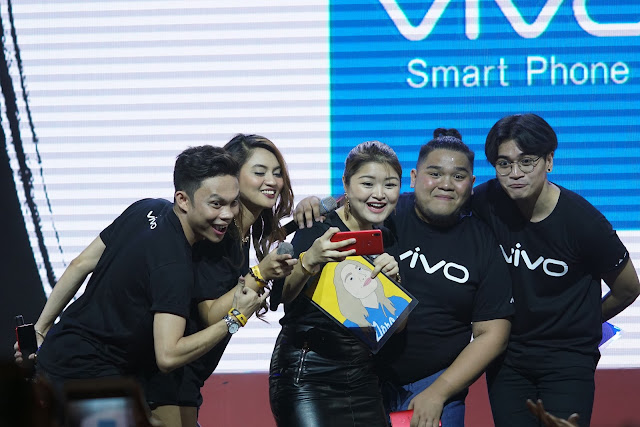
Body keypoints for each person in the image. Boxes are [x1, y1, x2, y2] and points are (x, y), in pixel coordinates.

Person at [14, 146, 268, 421]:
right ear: (183, 200)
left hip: (58, 353)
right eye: (216, 204)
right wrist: (234, 318)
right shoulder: (175, 266)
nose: (228, 214)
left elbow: (80, 264)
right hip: (89, 379)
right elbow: (168, 356)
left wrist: (40, 330)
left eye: (233, 203)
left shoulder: (146, 208)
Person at [473, 113, 640, 426]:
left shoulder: (584, 222)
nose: (515, 173)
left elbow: (628, 288)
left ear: (549, 161)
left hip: (568, 360)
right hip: (508, 359)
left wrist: (583, 321)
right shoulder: (485, 202)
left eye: (527, 162)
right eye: (504, 163)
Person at [144, 133, 298, 426]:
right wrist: (261, 274)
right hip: (168, 378)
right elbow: (210, 314)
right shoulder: (217, 235)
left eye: (277, 173)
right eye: (260, 172)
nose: (272, 181)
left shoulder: (243, 234)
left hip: (190, 377)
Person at [374, 129, 513, 427]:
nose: (446, 184)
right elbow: (344, 209)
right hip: (360, 377)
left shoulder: (484, 242)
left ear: (471, 184)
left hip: (433, 384)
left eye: (458, 176)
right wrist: (317, 205)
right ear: (413, 178)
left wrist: (439, 392)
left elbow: (493, 334)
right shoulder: (383, 214)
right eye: (434, 174)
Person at [269, 140, 402, 427]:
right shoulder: (318, 227)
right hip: (308, 373)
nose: (379, 194)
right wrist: (310, 260)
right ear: (346, 184)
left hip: (363, 378)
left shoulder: (389, 239)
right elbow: (282, 298)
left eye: (390, 185)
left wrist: (395, 284)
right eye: (367, 183)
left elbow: (394, 326)